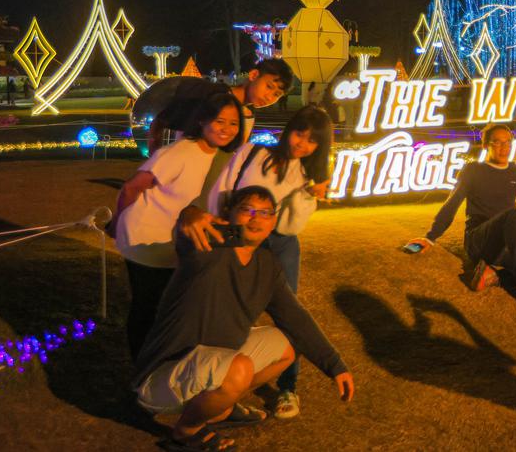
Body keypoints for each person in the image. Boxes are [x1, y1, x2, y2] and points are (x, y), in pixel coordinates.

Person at [133, 186, 353, 452]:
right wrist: (188, 214)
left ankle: (221, 406)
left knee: (288, 347)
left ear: (274, 220)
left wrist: (335, 365)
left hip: (211, 367)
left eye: (264, 212)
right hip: (164, 377)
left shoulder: (266, 265)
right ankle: (185, 432)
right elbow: (187, 234)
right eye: (247, 210)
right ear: (228, 214)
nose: (256, 218)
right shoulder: (209, 247)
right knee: (239, 368)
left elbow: (295, 317)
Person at [185, 106, 333, 420]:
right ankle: (222, 388)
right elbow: (222, 189)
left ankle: (288, 387)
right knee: (228, 310)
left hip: (279, 243)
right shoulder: (253, 152)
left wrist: (308, 196)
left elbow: (292, 226)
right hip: (237, 235)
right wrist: (220, 229)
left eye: (311, 141)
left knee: (289, 313)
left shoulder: (305, 175)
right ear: (289, 129)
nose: (301, 144)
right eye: (299, 133)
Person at [113, 93, 244, 360]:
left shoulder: (225, 158)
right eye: (220, 121)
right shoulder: (180, 152)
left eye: (233, 123)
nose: (227, 129)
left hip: (176, 241)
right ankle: (141, 366)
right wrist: (116, 223)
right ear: (202, 121)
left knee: (172, 304)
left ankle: (162, 358)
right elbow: (131, 187)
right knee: (148, 305)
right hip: (145, 237)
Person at [405, 124, 516, 315]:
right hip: (479, 238)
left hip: (508, 242)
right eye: (497, 142)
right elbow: (452, 204)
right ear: (485, 146)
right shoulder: (473, 170)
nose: (504, 147)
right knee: (512, 215)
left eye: (507, 142)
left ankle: (494, 277)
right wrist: (430, 237)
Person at [134, 58, 293, 154]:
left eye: (276, 95)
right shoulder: (210, 94)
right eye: (269, 87)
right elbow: (162, 120)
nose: (269, 97)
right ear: (253, 75)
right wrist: (155, 155)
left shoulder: (248, 116)